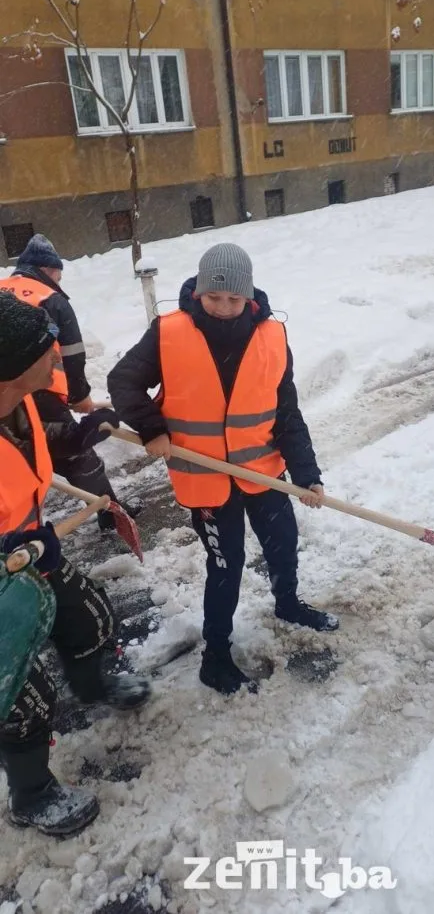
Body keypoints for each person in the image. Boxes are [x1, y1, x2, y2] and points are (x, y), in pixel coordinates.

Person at [108, 242, 339, 696]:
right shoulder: (169, 333)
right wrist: (152, 428)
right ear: (199, 291)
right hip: (206, 480)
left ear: (248, 296)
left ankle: (288, 603)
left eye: (234, 299)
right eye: (214, 297)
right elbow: (123, 382)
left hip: (262, 471)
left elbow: (286, 412)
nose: (223, 308)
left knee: (283, 544)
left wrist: (306, 473)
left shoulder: (272, 336)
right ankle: (215, 657)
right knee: (225, 565)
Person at [0, 291, 151, 837]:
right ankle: (31, 796)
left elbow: (32, 448)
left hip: (31, 549)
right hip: (7, 570)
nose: (58, 357)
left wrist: (77, 435)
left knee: (87, 615)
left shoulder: (19, 405)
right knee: (22, 693)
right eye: (48, 349)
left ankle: (91, 686)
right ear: (12, 366)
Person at [0, 234, 139, 529]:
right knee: (78, 460)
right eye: (58, 276)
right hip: (41, 390)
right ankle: (110, 512)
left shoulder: (3, 291)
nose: (58, 282)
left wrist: (77, 435)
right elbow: (72, 355)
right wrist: (79, 397)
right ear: (48, 270)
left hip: (16, 392)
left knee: (27, 449)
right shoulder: (51, 298)